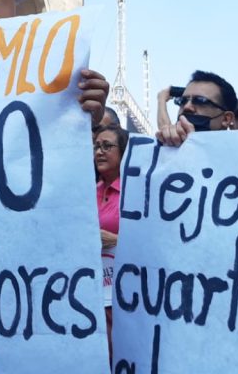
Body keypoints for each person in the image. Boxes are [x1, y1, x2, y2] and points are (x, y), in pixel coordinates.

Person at [94, 125, 128, 367]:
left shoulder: (134, 189)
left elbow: (153, 238)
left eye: (107, 146)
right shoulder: (87, 190)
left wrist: (115, 241)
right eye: (96, 146)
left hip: (124, 295)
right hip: (93, 295)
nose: (99, 152)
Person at [156, 70, 238, 145]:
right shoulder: (166, 148)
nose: (187, 107)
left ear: (226, 119)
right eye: (182, 101)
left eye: (200, 101)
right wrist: (161, 100)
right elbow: (165, 129)